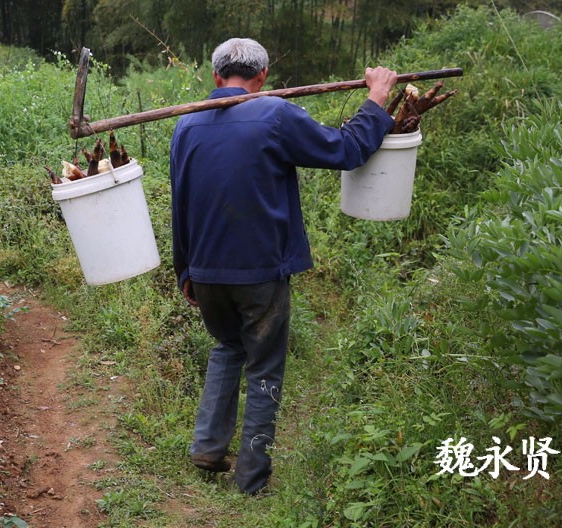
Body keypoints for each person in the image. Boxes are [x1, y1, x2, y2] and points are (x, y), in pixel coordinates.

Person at [169, 37, 398, 494]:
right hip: (261, 273)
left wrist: (185, 271)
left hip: (206, 271)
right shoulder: (274, 113)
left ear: (216, 77)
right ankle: (251, 479)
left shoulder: (186, 126)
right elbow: (345, 151)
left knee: (228, 347)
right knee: (264, 367)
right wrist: (376, 100)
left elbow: (180, 204)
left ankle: (209, 447)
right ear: (262, 77)